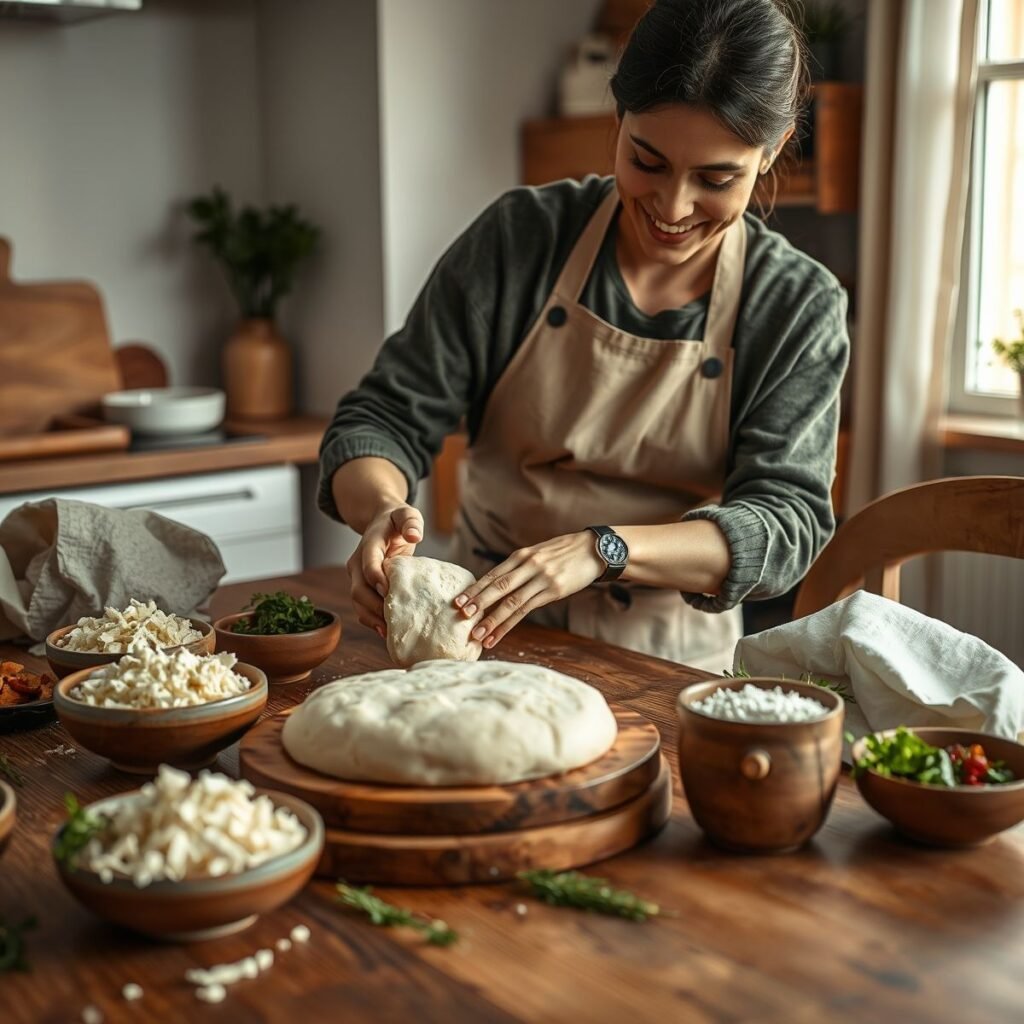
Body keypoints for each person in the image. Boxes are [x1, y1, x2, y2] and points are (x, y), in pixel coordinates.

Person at [318, 0, 850, 672]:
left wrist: (604, 549)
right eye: (647, 161)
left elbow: (784, 523)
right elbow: (382, 417)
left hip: (667, 662)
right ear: (617, 117)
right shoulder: (522, 239)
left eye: (717, 179)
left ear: (772, 149)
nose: (673, 207)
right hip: (477, 636)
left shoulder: (794, 303)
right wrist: (381, 510)